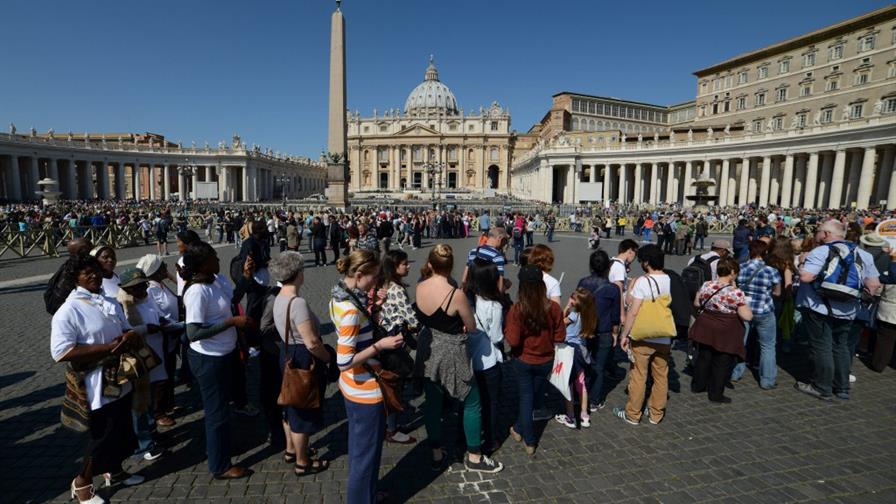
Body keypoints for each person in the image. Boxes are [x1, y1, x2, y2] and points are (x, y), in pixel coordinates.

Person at [51, 254, 145, 504]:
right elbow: (61, 352)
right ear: (75, 279)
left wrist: (129, 336)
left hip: (120, 374)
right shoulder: (69, 310)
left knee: (122, 427)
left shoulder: (107, 301)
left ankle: (114, 470)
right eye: (86, 273)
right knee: (103, 433)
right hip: (96, 380)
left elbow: (125, 327)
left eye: (95, 270)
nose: (93, 275)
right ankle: (82, 482)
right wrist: (107, 348)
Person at [414, 244, 504, 473]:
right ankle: (474, 455)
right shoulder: (457, 295)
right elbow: (471, 327)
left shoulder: (420, 286)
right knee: (471, 401)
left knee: (433, 402)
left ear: (430, 264)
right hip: (452, 351)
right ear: (451, 266)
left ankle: (436, 451)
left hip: (428, 348)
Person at [330, 250, 404, 503]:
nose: (376, 282)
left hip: (352, 387)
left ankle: (368, 493)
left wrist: (376, 309)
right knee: (366, 454)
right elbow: (344, 361)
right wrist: (380, 346)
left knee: (362, 450)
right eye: (373, 277)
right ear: (359, 274)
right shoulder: (351, 309)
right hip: (364, 388)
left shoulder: (340, 295)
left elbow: (358, 329)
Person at [181, 241, 253, 480]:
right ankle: (219, 465)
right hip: (208, 358)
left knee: (224, 407)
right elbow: (193, 333)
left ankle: (219, 446)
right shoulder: (196, 292)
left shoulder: (215, 280)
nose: (219, 260)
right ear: (203, 264)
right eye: (214, 257)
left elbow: (233, 299)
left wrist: (245, 277)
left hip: (225, 352)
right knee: (216, 412)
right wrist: (231, 323)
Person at [794, 220, 880, 400]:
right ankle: (842, 387)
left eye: (818, 231)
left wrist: (801, 263)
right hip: (848, 309)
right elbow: (874, 285)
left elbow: (807, 276)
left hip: (818, 307)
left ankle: (821, 387)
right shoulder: (863, 254)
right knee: (841, 346)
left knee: (821, 346)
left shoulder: (821, 251)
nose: (816, 234)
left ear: (825, 234)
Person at [270, 252, 332, 476]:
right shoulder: (297, 303)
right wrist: (328, 358)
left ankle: (290, 450)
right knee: (303, 410)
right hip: (302, 356)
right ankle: (302, 461)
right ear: (297, 274)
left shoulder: (279, 297)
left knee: (290, 402)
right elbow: (312, 342)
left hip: (286, 352)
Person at [505, 265, 565, 454]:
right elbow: (560, 336)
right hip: (546, 360)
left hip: (524, 359)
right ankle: (519, 429)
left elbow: (513, 340)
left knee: (526, 398)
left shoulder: (517, 309)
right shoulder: (553, 307)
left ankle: (529, 439)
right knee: (534, 395)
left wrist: (507, 330)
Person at [614, 244, 674, 425]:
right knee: (661, 375)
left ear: (646, 262)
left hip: (643, 336)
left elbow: (633, 311)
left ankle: (633, 414)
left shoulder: (642, 281)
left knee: (639, 375)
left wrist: (624, 335)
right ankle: (656, 413)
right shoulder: (667, 278)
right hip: (663, 335)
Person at [115, 267, 167, 461]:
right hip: (135, 358)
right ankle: (142, 444)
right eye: (135, 287)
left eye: (143, 285)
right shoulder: (123, 304)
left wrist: (160, 321)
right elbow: (125, 331)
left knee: (150, 398)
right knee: (139, 403)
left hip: (151, 353)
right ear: (126, 289)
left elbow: (155, 314)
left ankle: (151, 433)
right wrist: (147, 328)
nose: (141, 290)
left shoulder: (146, 298)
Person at [689, 257, 753, 403]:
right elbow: (746, 316)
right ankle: (716, 393)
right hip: (725, 329)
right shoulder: (735, 293)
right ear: (731, 272)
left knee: (704, 356)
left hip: (706, 325)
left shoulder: (707, 285)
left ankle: (698, 385)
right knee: (722, 361)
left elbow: (697, 303)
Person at [376, 250, 419, 445]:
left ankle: (390, 424)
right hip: (394, 340)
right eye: (404, 264)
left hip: (385, 337)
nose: (408, 266)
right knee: (396, 383)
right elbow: (411, 318)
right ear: (395, 267)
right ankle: (391, 429)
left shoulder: (384, 284)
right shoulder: (397, 289)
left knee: (391, 383)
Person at [465, 257, 507, 454]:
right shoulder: (494, 306)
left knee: (471, 402)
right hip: (489, 361)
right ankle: (490, 439)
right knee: (491, 403)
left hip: (469, 359)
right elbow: (497, 336)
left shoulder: (466, 299)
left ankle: (466, 436)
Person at [137, 254, 180, 426]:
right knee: (160, 377)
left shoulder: (160, 285)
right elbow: (157, 315)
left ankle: (167, 404)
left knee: (168, 372)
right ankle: (158, 412)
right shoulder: (150, 290)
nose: (166, 268)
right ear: (154, 271)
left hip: (169, 336)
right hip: (158, 337)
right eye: (162, 266)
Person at [576, 249, 623, 410]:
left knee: (585, 362)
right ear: (608, 268)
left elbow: (577, 306)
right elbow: (615, 315)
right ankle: (595, 399)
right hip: (604, 331)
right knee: (599, 366)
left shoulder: (583, 282)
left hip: (586, 328)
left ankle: (581, 393)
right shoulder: (613, 289)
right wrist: (615, 333)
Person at [731, 240, 781, 390]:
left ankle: (735, 373)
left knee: (741, 342)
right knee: (767, 346)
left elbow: (735, 288)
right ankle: (767, 380)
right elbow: (777, 292)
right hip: (763, 310)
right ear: (765, 253)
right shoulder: (771, 271)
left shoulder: (740, 267)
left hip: (744, 310)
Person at [555, 288, 598, 429]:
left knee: (568, 383)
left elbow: (560, 322)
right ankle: (585, 415)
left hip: (570, 350)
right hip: (581, 351)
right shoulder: (589, 315)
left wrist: (567, 306)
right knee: (581, 383)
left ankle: (570, 416)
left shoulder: (574, 315)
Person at [44, 236, 93, 315]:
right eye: (91, 246)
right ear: (83, 250)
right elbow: (58, 301)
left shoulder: (82, 265)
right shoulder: (70, 271)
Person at [462, 227, 509, 293]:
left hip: (471, 293)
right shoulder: (498, 257)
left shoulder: (473, 251)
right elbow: (499, 288)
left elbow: (464, 279)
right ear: (499, 238)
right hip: (487, 296)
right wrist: (506, 286)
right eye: (505, 241)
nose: (505, 244)